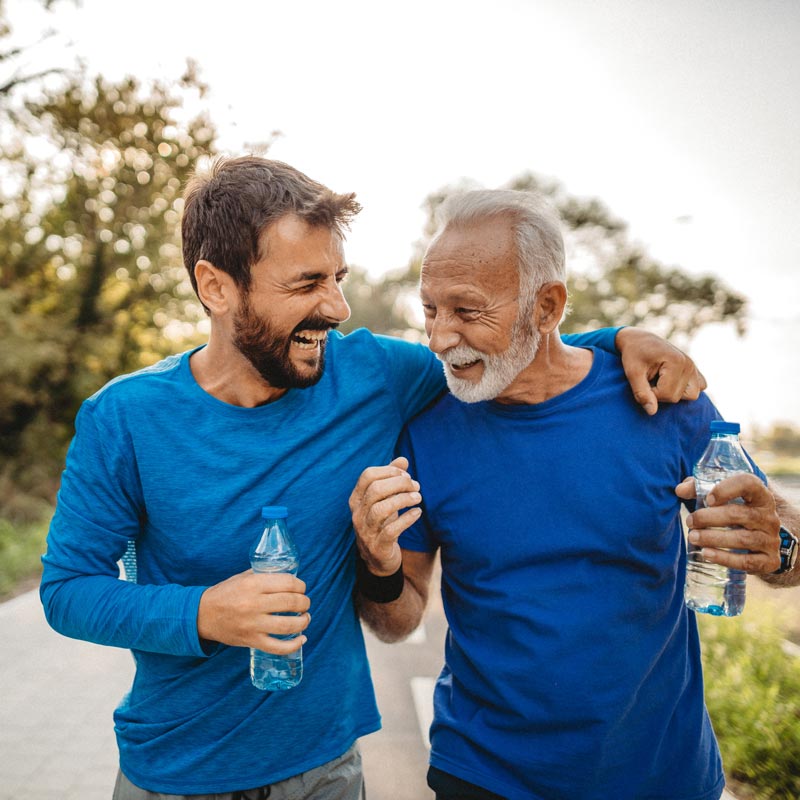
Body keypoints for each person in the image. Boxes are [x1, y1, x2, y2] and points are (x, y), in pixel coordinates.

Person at [41, 157, 708, 800]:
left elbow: (511, 351)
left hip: (322, 768)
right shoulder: (123, 419)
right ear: (216, 287)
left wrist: (621, 340)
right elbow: (67, 590)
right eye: (306, 284)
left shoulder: (374, 377)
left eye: (338, 277)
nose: (337, 307)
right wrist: (203, 613)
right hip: (171, 767)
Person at [349, 189, 800, 800]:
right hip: (483, 777)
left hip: (662, 778)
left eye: (467, 311)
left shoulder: (662, 403)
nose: (438, 336)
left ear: (547, 306)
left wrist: (782, 549)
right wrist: (378, 565)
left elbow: (778, 537)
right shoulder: (426, 432)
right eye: (430, 308)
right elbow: (398, 622)